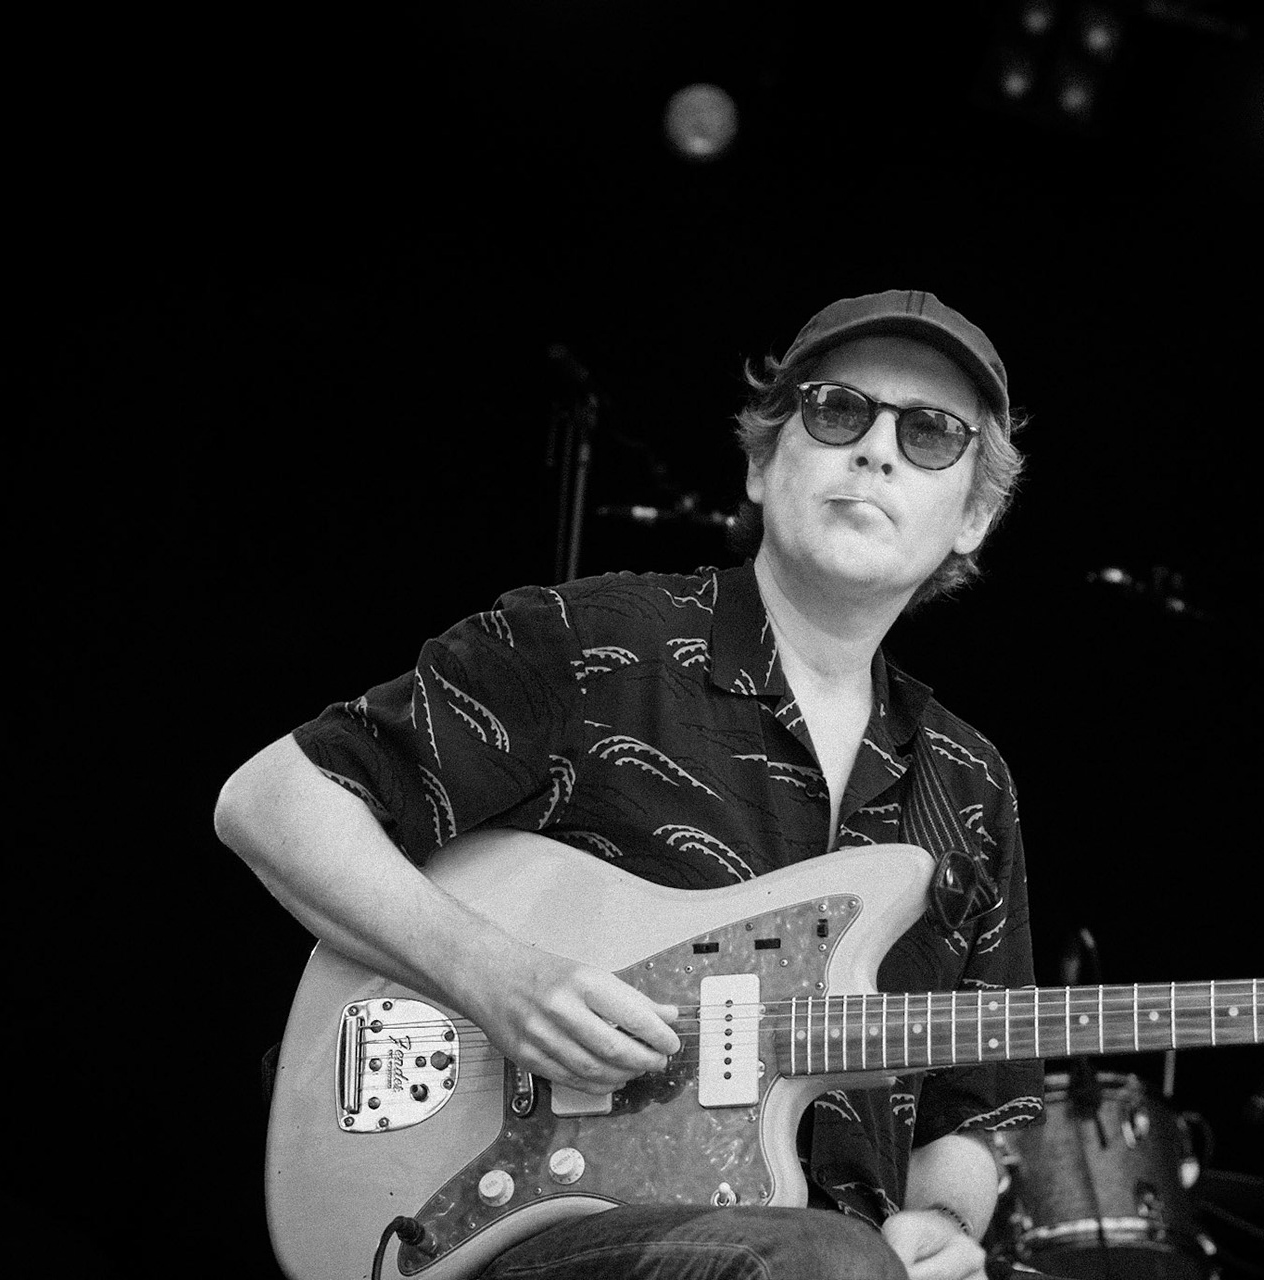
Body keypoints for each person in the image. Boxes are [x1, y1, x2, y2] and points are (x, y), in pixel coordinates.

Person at [215, 289, 1044, 1280]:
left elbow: (977, 1105)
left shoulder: (967, 783)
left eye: (930, 434)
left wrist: (947, 1218)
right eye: (837, 411)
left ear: (977, 516)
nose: (875, 450)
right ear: (760, 457)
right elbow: (272, 799)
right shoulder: (597, 643)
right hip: (526, 1225)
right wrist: (497, 975)